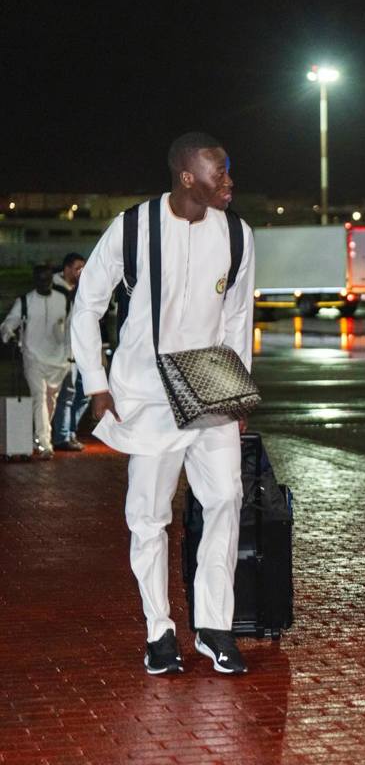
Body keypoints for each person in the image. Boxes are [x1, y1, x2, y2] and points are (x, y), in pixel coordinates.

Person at [71, 132, 255, 676]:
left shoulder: (237, 234)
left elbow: (238, 317)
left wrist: (239, 390)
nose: (229, 181)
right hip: (148, 392)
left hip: (211, 386)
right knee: (149, 517)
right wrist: (96, 383)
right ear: (186, 176)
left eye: (228, 170)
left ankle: (215, 628)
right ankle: (159, 630)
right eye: (219, 172)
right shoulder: (133, 227)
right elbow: (88, 304)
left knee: (226, 500)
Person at [0, 264, 72, 459]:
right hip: (33, 358)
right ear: (35, 280)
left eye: (47, 278)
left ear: (51, 279)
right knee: (39, 397)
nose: (44, 282)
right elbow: (8, 323)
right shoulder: (25, 301)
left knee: (50, 401)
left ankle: (38, 437)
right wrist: (9, 334)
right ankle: (45, 443)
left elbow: (71, 328)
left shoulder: (64, 300)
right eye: (40, 279)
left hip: (59, 362)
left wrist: (70, 355)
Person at [51, 252, 89, 451]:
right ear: (66, 269)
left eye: (83, 268)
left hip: (83, 350)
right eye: (77, 268)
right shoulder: (54, 291)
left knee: (85, 394)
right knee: (67, 395)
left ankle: (68, 431)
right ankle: (63, 435)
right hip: (65, 352)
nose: (81, 272)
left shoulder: (81, 289)